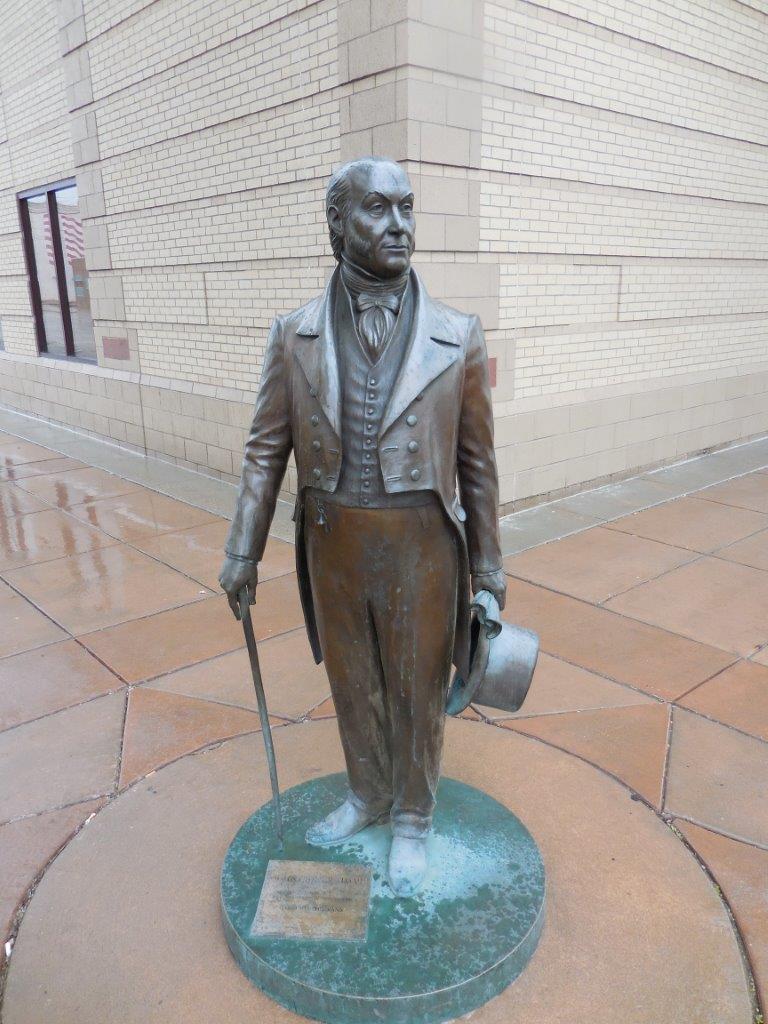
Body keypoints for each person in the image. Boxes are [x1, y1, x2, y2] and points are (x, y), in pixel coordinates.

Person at [219, 157, 505, 896]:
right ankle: (367, 793)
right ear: (338, 223)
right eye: (379, 209)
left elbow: (479, 470)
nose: (400, 225)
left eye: (407, 208)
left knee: (416, 686)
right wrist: (242, 548)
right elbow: (264, 450)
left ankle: (413, 814)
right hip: (332, 543)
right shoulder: (294, 335)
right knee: (353, 682)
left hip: (423, 549)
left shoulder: (458, 336)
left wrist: (492, 577)